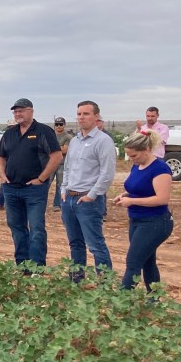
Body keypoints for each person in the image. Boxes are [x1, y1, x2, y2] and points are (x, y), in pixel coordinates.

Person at [0, 98, 63, 267]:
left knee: (36, 229)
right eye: (15, 111)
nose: (18, 114)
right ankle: (22, 264)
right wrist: (2, 175)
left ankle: (37, 267)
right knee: (17, 228)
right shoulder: (9, 133)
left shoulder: (43, 131)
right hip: (11, 189)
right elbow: (0, 157)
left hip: (34, 190)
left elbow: (56, 156)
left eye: (21, 111)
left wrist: (41, 179)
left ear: (31, 111)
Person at [59, 101, 116, 279]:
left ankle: (104, 283)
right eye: (79, 114)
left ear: (96, 116)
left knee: (95, 244)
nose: (81, 117)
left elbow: (106, 173)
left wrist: (91, 195)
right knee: (75, 243)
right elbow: (67, 168)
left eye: (86, 114)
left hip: (87, 201)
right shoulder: (74, 140)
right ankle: (76, 279)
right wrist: (63, 188)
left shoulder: (103, 141)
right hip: (69, 198)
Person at [113, 130, 173, 291]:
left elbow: (161, 199)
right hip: (137, 220)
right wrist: (125, 195)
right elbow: (139, 187)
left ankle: (121, 300)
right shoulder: (138, 165)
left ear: (146, 150)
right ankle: (153, 298)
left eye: (134, 156)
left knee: (133, 262)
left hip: (156, 222)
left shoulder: (160, 169)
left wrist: (131, 201)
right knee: (147, 260)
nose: (132, 159)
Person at [51, 117, 74, 209]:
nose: (59, 126)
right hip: (50, 164)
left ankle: (57, 204)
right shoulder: (50, 135)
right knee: (46, 183)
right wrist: (59, 147)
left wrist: (53, 147)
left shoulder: (68, 137)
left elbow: (65, 150)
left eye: (61, 124)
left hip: (62, 164)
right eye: (57, 124)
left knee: (60, 185)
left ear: (64, 125)